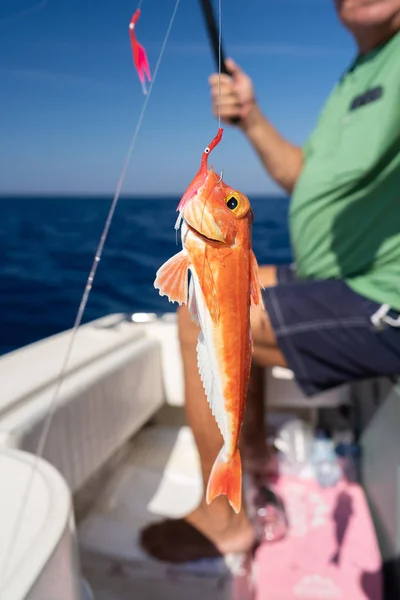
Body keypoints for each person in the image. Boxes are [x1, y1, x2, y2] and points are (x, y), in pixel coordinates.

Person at [140, 0, 400, 562]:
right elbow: (303, 179)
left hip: (385, 292)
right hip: (335, 270)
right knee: (195, 306)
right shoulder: (357, 75)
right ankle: (250, 458)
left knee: (205, 317)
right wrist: (252, 118)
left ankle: (226, 514)